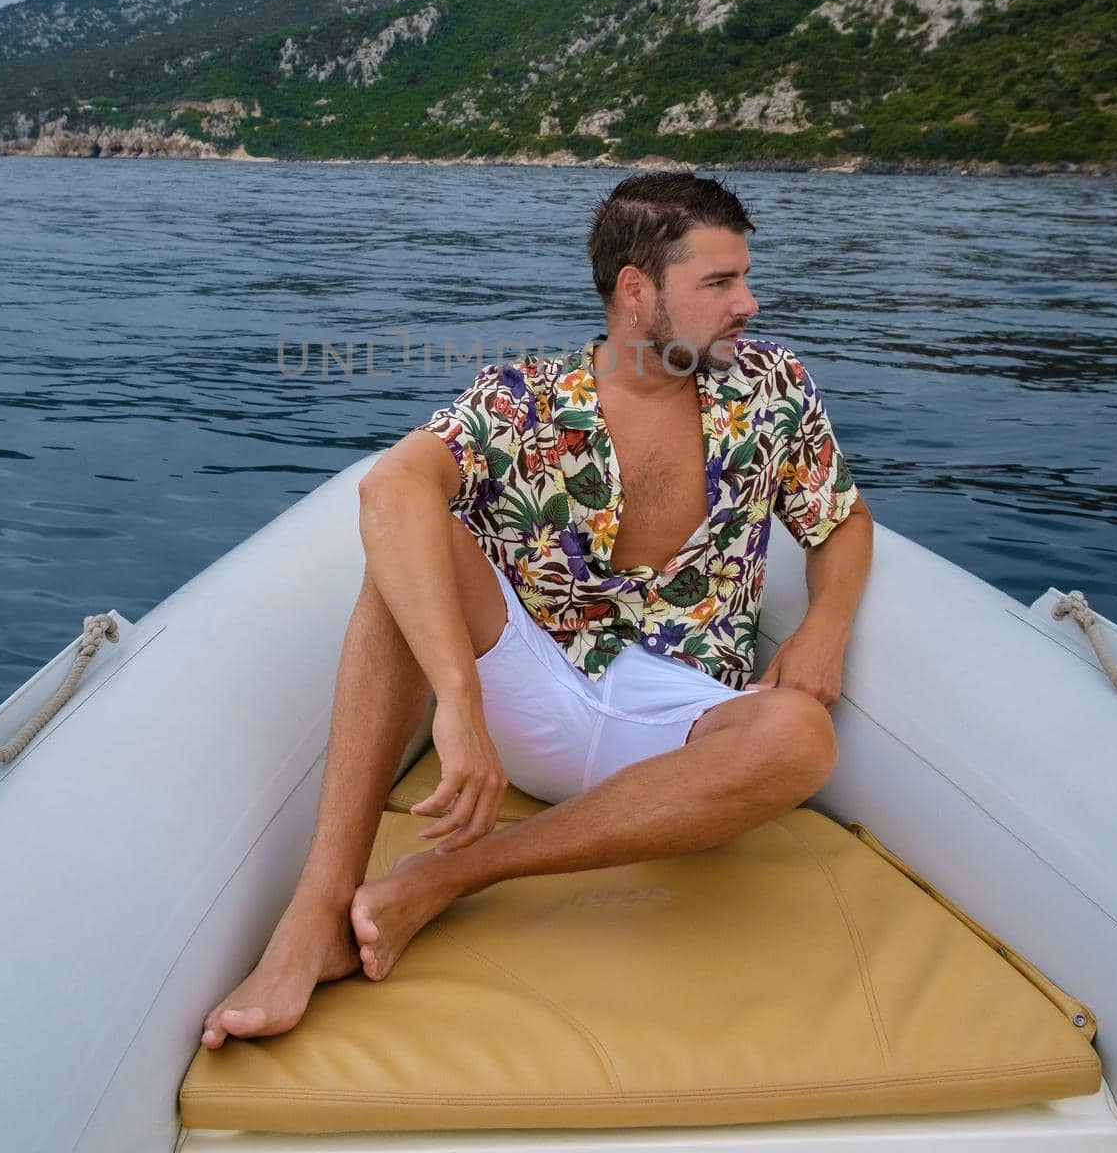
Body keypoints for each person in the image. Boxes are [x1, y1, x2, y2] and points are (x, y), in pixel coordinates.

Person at [201, 170, 873, 1048]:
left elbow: (842, 521)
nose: (748, 302)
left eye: (743, 278)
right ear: (637, 292)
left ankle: (452, 876)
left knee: (799, 737)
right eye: (718, 283)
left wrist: (825, 626)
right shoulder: (525, 399)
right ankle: (315, 916)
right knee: (408, 547)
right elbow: (392, 487)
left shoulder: (772, 388)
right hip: (535, 689)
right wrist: (461, 703)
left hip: (682, 723)